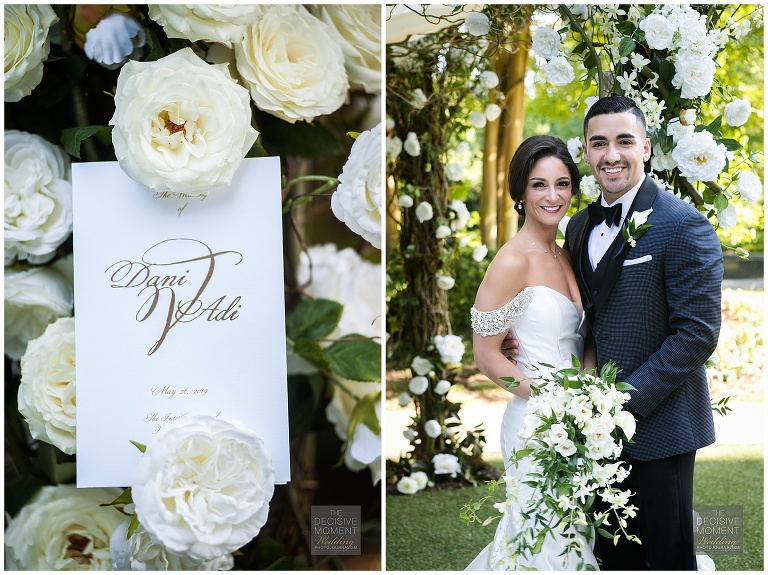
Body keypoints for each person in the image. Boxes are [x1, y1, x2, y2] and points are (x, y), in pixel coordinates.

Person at [560, 95, 722, 570]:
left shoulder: (683, 225)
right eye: (599, 143)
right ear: (586, 153)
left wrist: (620, 405)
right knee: (609, 558)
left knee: (665, 558)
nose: (612, 154)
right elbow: (581, 313)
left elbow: (696, 335)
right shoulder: (577, 226)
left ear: (646, 148)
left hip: (661, 427)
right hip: (590, 434)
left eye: (624, 141)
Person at [465, 135, 597, 570]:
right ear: (521, 191)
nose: (553, 195)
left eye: (562, 184)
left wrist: (589, 398)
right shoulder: (512, 260)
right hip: (535, 421)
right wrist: (548, 399)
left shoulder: (569, 251)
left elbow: (581, 337)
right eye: (539, 184)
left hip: (579, 419)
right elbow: (487, 355)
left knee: (574, 535)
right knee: (538, 536)